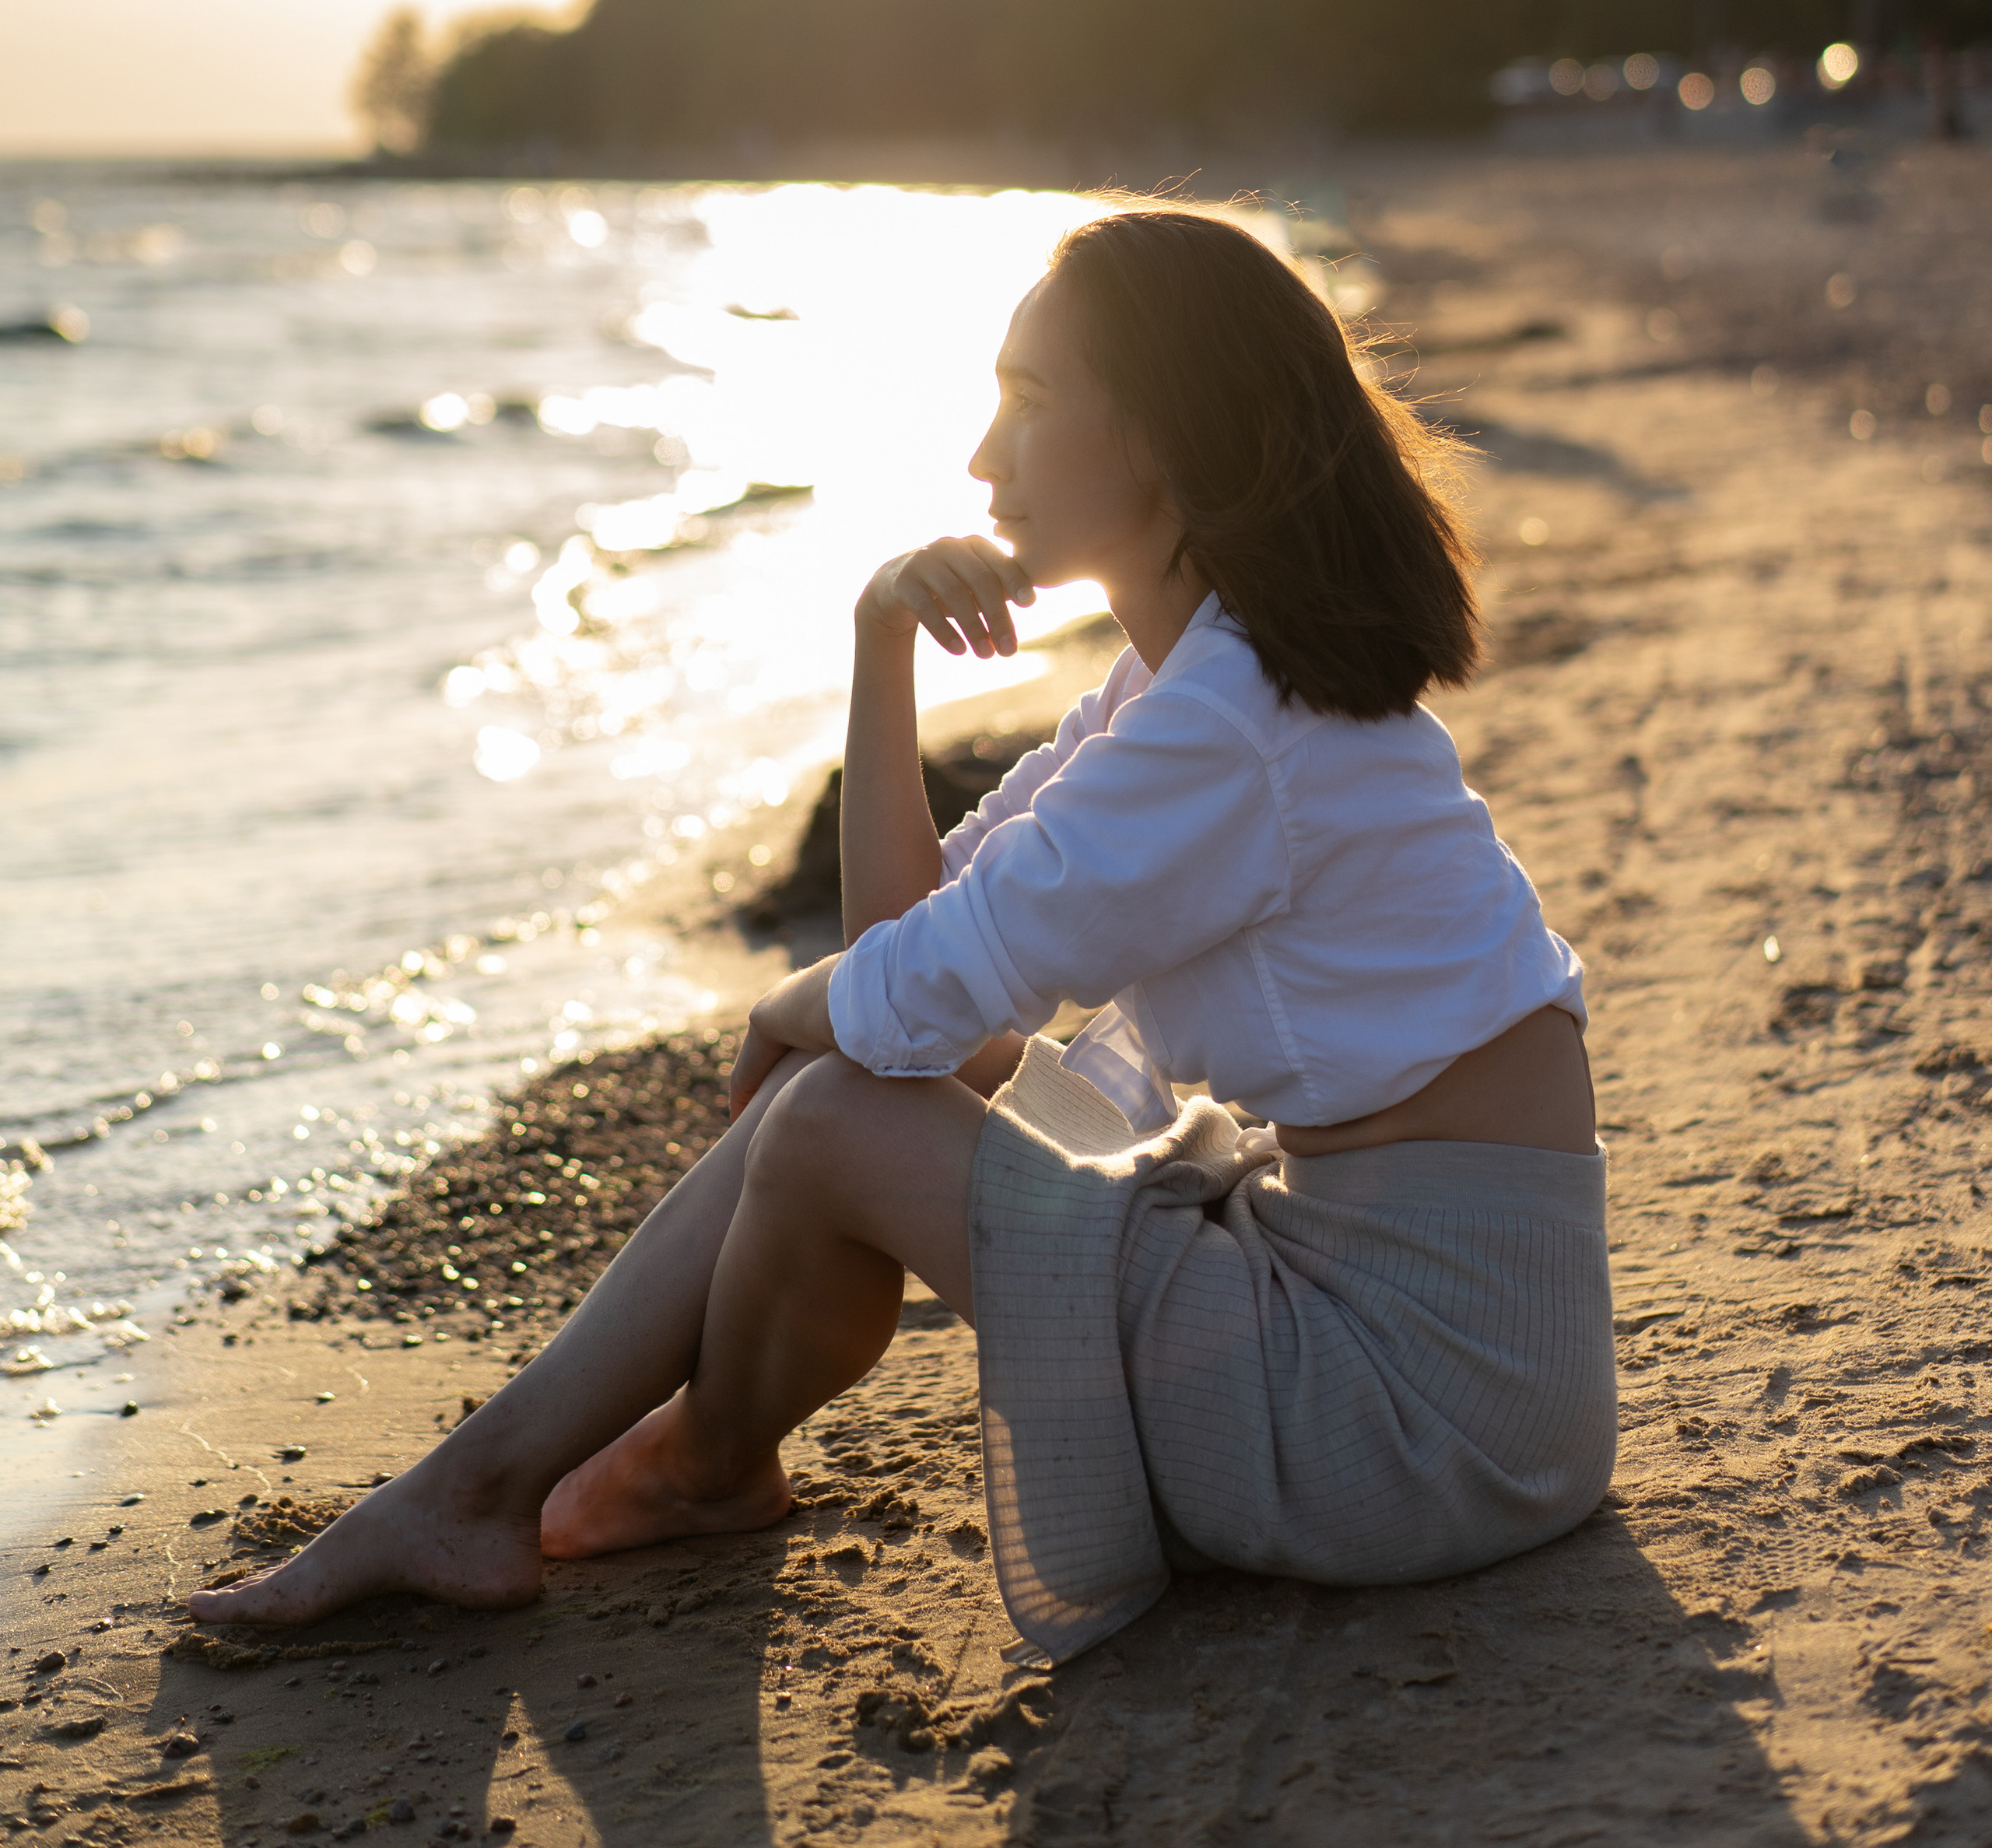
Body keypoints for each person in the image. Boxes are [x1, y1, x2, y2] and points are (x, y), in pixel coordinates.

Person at [189, 206, 1613, 1657]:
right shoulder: (1186, 686)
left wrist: (800, 1005)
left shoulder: (1225, 724)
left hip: (1420, 1418)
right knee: (854, 1088)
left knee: (831, 1114)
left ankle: (572, 1478)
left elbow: (899, 1006)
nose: (983, 456)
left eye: (1032, 400)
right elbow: (916, 963)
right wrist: (879, 645)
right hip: (1439, 1362)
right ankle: (635, 1472)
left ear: (1171, 434)